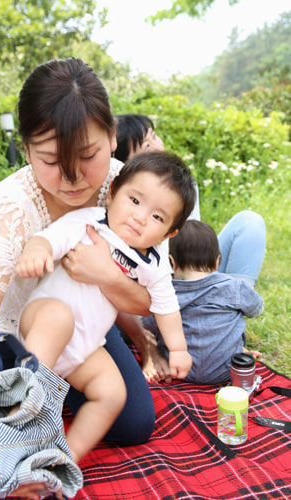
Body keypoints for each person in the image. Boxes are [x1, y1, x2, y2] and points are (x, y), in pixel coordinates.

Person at [0, 58, 156, 498]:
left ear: (112, 137)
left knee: (136, 422)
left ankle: (49, 441)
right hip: (11, 333)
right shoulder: (9, 210)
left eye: (88, 156)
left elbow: (149, 297)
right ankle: (32, 404)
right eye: (50, 160)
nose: (72, 178)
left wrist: (107, 276)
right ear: (26, 149)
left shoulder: (127, 190)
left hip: (85, 330)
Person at [15, 151, 196, 463]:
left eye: (157, 217)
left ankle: (62, 458)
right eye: (135, 201)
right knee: (58, 318)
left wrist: (177, 348)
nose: (140, 217)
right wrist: (37, 251)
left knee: (113, 393)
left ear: (169, 233)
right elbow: (49, 239)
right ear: (113, 192)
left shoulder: (152, 264)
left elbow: (166, 306)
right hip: (43, 320)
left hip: (86, 347)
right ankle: (23, 407)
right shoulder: (89, 223)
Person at [114, 113, 266, 383]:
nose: (159, 148)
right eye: (147, 147)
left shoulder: (181, 186)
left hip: (196, 274)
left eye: (155, 138)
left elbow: (190, 240)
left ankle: (226, 325)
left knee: (250, 223)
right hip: (167, 293)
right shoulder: (121, 215)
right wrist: (147, 345)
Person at [142, 220, 264, 384]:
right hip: (225, 371)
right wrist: (246, 291)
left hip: (181, 370)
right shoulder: (234, 287)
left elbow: (147, 324)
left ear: (172, 262)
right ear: (217, 262)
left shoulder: (166, 294)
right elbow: (256, 309)